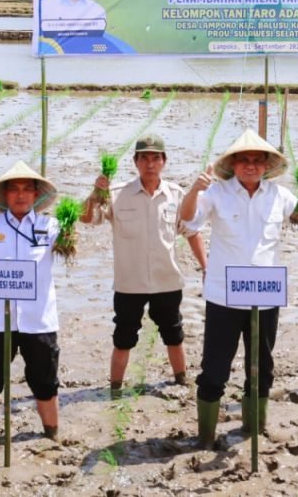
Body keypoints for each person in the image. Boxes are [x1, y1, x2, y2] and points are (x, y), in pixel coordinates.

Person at [181, 129, 298, 448]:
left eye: (257, 161)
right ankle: (205, 436)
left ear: (266, 165)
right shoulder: (215, 193)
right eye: (243, 160)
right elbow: (187, 224)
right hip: (224, 298)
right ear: (232, 164)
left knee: (261, 369)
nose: (250, 166)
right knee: (214, 370)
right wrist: (193, 190)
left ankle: (253, 430)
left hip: (265, 297)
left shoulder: (279, 196)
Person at [81, 134, 207, 398]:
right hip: (130, 283)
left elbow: (192, 232)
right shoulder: (116, 195)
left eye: (155, 158)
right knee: (123, 336)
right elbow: (87, 219)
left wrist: (206, 267)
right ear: (135, 162)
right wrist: (94, 195)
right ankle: (115, 388)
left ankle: (181, 380)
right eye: (144, 158)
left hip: (167, 280)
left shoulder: (175, 195)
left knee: (174, 333)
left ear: (164, 161)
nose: (150, 163)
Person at [0, 161, 62, 442]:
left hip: (39, 319)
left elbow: (72, 244)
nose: (20, 195)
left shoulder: (50, 226)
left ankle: (52, 436)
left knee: (45, 384)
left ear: (36, 195)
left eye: (27, 190)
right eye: (14, 190)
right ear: (5, 196)